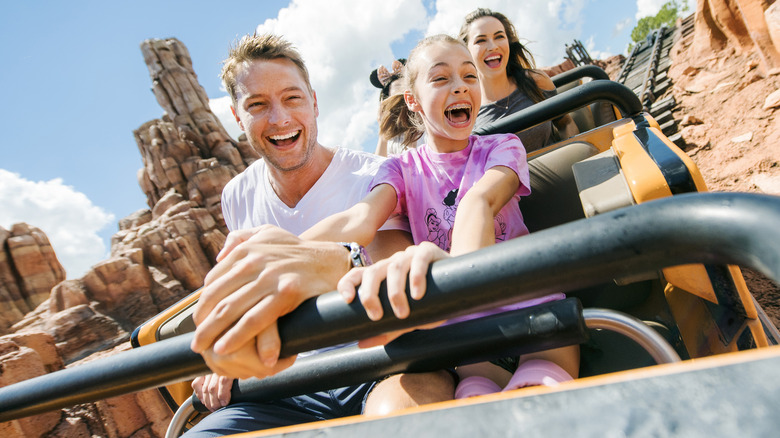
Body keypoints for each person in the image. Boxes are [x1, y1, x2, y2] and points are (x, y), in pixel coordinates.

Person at [184, 33, 453, 436]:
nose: (279, 119)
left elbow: (396, 275)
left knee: (398, 425)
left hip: (382, 362)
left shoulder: (372, 176)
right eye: (258, 105)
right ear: (238, 117)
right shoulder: (237, 195)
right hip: (287, 385)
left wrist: (333, 263)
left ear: (314, 101)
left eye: (292, 98)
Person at [298, 34, 579, 401]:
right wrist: (287, 249)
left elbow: (478, 202)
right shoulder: (400, 169)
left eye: (469, 76)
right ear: (413, 100)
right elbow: (360, 221)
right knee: (478, 403)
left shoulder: (502, 147)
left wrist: (450, 282)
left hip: (528, 307)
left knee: (543, 396)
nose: (460, 87)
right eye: (442, 78)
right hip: (466, 339)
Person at [459, 8, 578, 153]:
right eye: (481, 40)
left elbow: (566, 123)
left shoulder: (535, 81)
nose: (493, 46)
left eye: (499, 37)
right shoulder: (468, 112)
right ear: (466, 51)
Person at [370, 59, 423, 156]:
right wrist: (383, 130)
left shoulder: (428, 123)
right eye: (396, 99)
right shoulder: (390, 141)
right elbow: (379, 167)